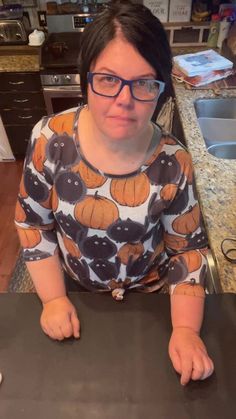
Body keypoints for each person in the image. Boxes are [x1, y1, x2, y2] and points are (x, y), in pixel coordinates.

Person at [15, 0, 214, 386]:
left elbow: (187, 250)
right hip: (76, 291)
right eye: (107, 79)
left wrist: (186, 330)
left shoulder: (175, 161)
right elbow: (33, 225)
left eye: (143, 83)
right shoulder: (48, 142)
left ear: (161, 88)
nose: (125, 100)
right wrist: (54, 299)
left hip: (153, 297)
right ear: (85, 77)